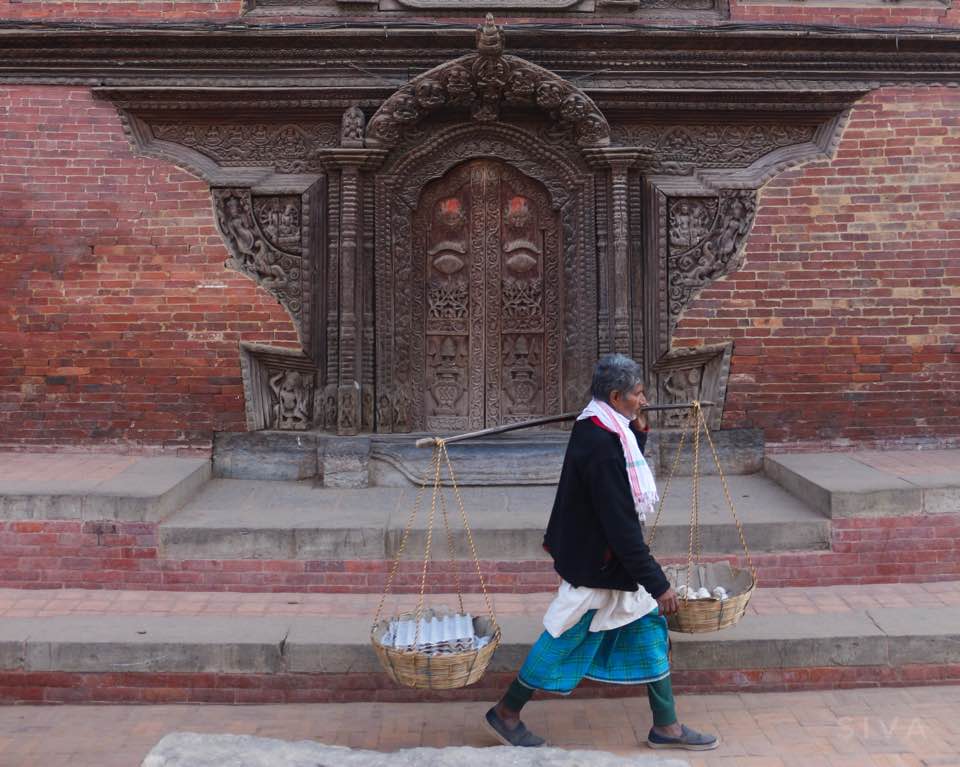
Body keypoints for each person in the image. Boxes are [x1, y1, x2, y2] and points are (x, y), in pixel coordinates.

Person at [484, 353, 719, 752]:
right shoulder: (599, 441)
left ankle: (667, 726)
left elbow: (623, 467)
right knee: (561, 636)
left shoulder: (602, 425)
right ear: (615, 395)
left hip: (608, 559)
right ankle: (507, 711)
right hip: (597, 562)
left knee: (648, 629)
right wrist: (658, 583)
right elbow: (621, 523)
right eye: (638, 394)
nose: (644, 400)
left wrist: (639, 431)